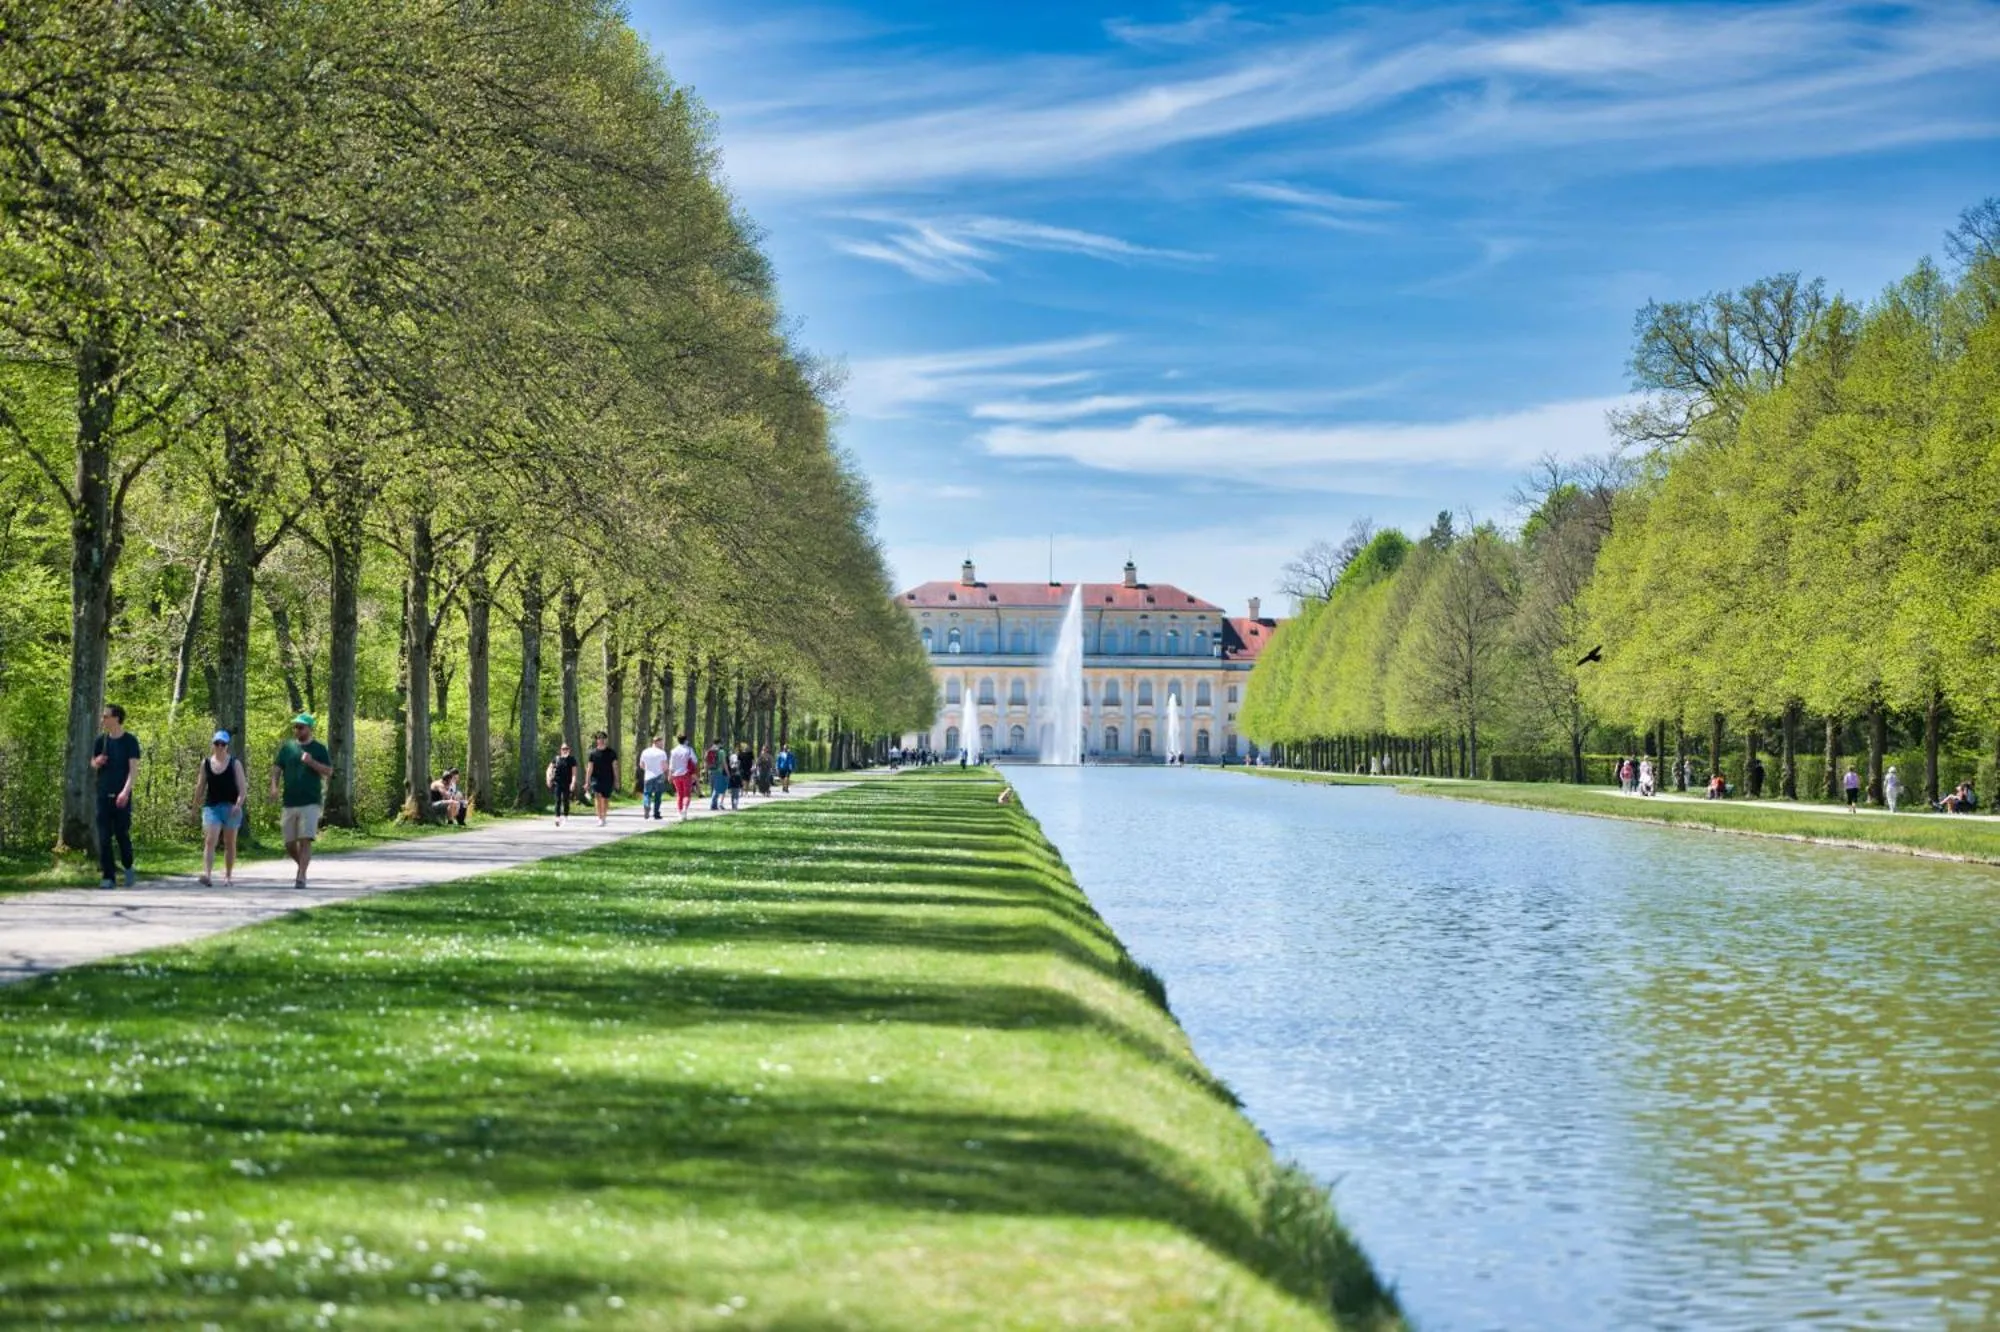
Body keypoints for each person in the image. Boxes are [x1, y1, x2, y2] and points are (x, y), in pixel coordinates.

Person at [271, 713, 332, 889]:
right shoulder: (287, 748)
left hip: (310, 801)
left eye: (301, 727)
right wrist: (274, 787)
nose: (297, 730)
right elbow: (277, 768)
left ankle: (301, 876)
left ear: (309, 729)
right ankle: (302, 865)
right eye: (295, 726)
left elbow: (328, 771)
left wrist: (312, 762)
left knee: (305, 839)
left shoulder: (319, 749)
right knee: (289, 842)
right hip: (289, 801)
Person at [90, 703, 142, 890]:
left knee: (121, 834)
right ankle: (108, 876)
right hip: (103, 794)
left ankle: (128, 866)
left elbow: (133, 770)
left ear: (116, 718)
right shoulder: (101, 740)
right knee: (104, 837)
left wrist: (125, 792)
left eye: (106, 716)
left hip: (122, 796)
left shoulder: (130, 741)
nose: (103, 719)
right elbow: (93, 763)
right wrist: (97, 762)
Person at [192, 730, 247, 886]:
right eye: (217, 743)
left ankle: (228, 876)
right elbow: (200, 786)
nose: (220, 747)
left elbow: (243, 789)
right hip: (212, 807)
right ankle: (208, 875)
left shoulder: (235, 763)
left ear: (227, 746)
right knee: (210, 840)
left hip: (231, 807)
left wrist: (238, 805)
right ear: (213, 745)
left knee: (230, 843)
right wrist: (195, 807)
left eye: (223, 744)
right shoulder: (206, 763)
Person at [585, 732, 619, 826]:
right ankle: (599, 817)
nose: (601, 740)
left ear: (606, 740)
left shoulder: (611, 753)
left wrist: (616, 781)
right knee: (597, 796)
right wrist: (587, 781)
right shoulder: (593, 753)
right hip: (596, 779)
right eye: (599, 738)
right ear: (596, 740)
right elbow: (589, 768)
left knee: (605, 798)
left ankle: (604, 816)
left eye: (603, 738)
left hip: (608, 778)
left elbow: (615, 767)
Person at [638, 734, 670, 821]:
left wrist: (648, 769)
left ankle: (647, 805)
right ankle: (656, 813)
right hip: (659, 775)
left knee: (647, 793)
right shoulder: (662, 753)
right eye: (661, 743)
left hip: (648, 776)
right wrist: (666, 773)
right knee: (658, 795)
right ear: (656, 742)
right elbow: (665, 766)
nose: (662, 744)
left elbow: (641, 765)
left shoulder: (645, 751)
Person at [667, 731, 698, 821]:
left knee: (679, 795)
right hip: (686, 774)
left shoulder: (673, 751)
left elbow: (671, 765)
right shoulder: (689, 750)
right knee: (687, 794)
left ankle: (680, 813)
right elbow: (695, 761)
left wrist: (670, 775)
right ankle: (684, 809)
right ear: (686, 740)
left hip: (676, 775)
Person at [547, 742, 577, 826]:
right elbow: (549, 768)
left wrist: (573, 783)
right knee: (557, 800)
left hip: (567, 783)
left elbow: (574, 773)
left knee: (566, 800)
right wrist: (548, 779)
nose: (565, 750)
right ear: (560, 750)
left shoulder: (572, 760)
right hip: (557, 783)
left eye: (566, 749)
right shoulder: (556, 759)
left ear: (569, 750)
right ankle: (557, 818)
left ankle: (566, 817)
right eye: (563, 749)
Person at [730, 741, 753, 810]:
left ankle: (746, 791)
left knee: (747, 780)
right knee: (743, 780)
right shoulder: (740, 754)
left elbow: (753, 760)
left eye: (746, 747)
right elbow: (738, 761)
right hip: (742, 768)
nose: (746, 748)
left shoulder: (750, 753)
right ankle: (742, 791)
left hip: (748, 768)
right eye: (744, 747)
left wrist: (753, 766)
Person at [707, 743, 729, 811]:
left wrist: (706, 770)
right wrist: (727, 772)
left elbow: (706, 761)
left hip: (711, 771)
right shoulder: (721, 751)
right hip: (718, 771)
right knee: (717, 789)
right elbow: (724, 763)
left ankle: (714, 805)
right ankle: (713, 805)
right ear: (719, 744)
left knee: (713, 788)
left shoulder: (709, 751)